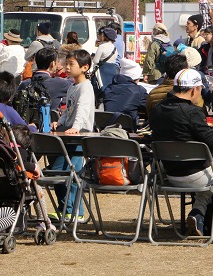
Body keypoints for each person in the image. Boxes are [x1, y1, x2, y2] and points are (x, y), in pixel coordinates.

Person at [150, 68, 213, 238]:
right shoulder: (192, 112)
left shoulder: (158, 108)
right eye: (200, 90)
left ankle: (197, 215)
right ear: (194, 89)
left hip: (170, 173)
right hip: (194, 173)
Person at [49, 49, 95, 222]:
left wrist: (76, 127)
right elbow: (67, 110)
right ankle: (63, 208)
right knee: (58, 172)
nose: (67, 67)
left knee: (73, 174)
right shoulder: (72, 86)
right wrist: (59, 122)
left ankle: (76, 212)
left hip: (80, 137)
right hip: (67, 135)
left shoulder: (86, 87)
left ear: (84, 67)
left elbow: (82, 109)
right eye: (66, 64)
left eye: (71, 64)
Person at [17, 47, 73, 112]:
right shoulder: (59, 84)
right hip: (50, 121)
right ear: (52, 64)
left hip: (27, 121)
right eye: (57, 62)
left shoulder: (24, 84)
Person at [102, 58, 148, 124]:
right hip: (128, 129)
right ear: (135, 79)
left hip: (108, 126)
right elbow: (148, 107)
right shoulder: (139, 91)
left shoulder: (108, 89)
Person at [92, 27, 119, 94]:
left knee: (101, 89)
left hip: (102, 71)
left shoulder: (102, 46)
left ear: (105, 36)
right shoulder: (114, 48)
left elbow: (96, 61)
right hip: (112, 71)